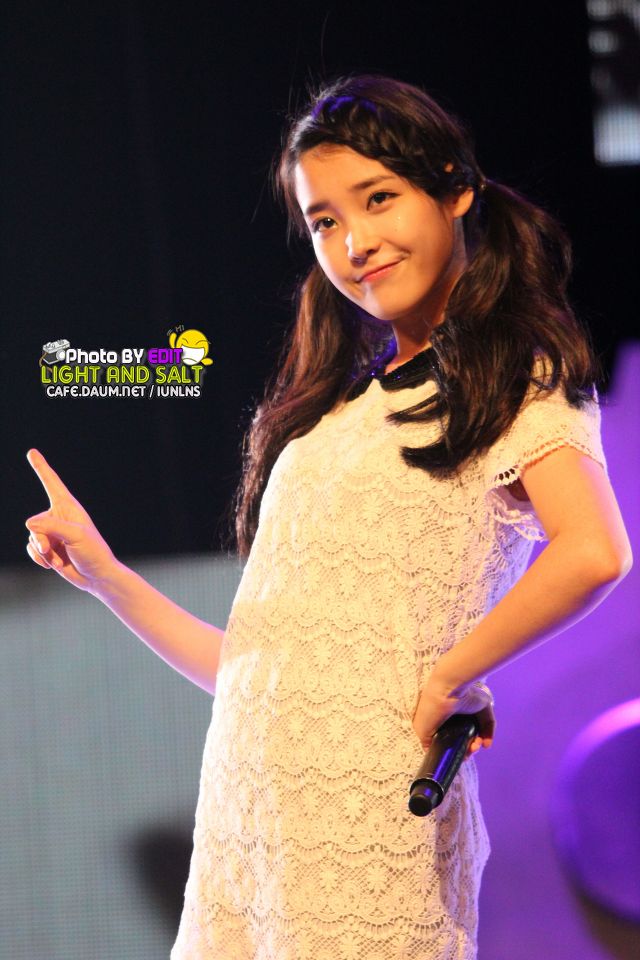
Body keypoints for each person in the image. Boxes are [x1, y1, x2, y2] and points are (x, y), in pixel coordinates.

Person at [25, 74, 632, 960]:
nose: (355, 242)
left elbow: (594, 552)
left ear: (455, 190)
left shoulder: (511, 376)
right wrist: (108, 577)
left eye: (378, 199)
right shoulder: (334, 416)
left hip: (366, 820)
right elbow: (255, 673)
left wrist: (451, 675)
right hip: (248, 821)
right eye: (324, 221)